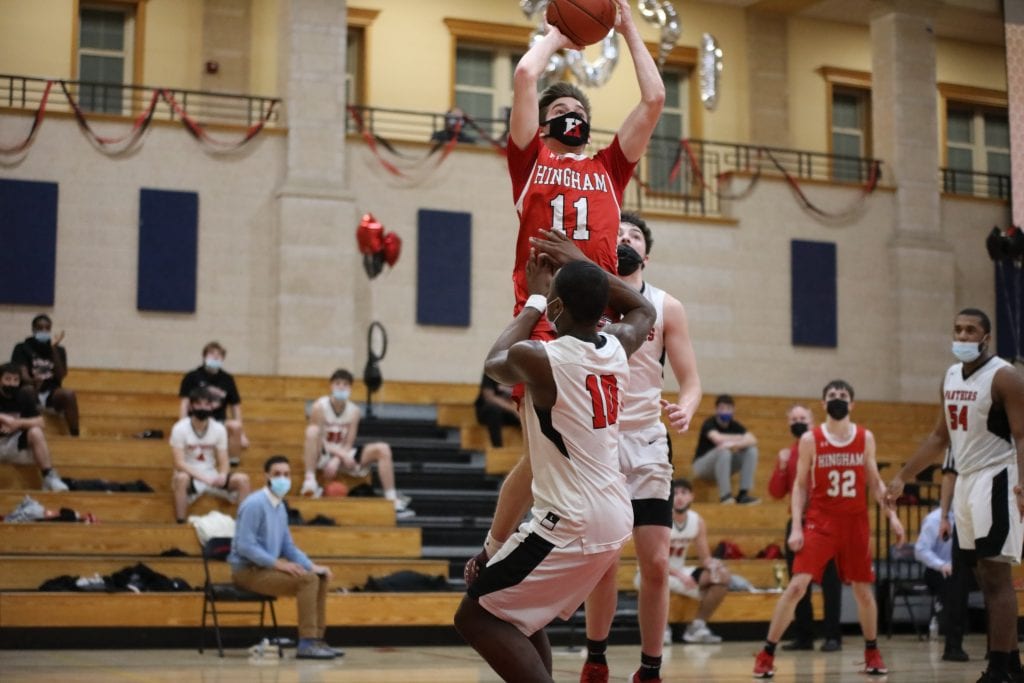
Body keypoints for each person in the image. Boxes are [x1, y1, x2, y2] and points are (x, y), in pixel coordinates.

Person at [454, 255, 656, 683]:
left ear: (557, 306)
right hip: (612, 513)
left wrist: (534, 300)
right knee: (518, 613)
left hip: (571, 519)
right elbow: (643, 308)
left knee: (474, 616)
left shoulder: (541, 358)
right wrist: (586, 268)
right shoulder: (618, 344)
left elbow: (495, 362)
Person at [531, 214, 701, 683]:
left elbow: (691, 380)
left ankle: (651, 668)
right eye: (619, 233)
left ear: (647, 254)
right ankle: (597, 657)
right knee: (603, 561)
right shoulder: (590, 297)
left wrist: (686, 407)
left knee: (657, 562)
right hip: (598, 441)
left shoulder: (666, 306)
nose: (625, 238)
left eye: (635, 236)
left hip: (646, 440)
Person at [887, 308, 1024, 683]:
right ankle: (1012, 665)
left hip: (997, 477)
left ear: (986, 338)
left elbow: (1022, 435)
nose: (962, 337)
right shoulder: (949, 376)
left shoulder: (1005, 377)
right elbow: (939, 438)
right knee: (982, 574)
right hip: (965, 480)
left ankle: (998, 669)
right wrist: (903, 477)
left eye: (970, 331)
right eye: (957, 330)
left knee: (996, 575)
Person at [753, 379, 903, 678]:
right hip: (821, 522)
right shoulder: (811, 439)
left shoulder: (865, 437)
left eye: (843, 394)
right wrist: (797, 527)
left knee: (863, 591)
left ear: (852, 403)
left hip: (855, 522)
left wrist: (893, 517)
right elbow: (799, 487)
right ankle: (766, 653)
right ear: (823, 403)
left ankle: (872, 652)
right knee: (797, 586)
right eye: (832, 395)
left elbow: (875, 482)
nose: (837, 398)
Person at [229, 454, 340, 660]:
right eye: (277, 474)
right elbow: (245, 546)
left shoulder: (279, 507)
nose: (283, 478)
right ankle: (307, 642)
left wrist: (311, 565)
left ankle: (317, 639)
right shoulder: (254, 504)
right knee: (308, 580)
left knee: (319, 576)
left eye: (287, 474)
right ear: (267, 477)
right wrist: (278, 565)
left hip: (266, 569)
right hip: (247, 571)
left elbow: (288, 547)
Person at [767, 403, 842, 652]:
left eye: (802, 418)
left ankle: (833, 636)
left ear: (812, 421)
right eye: (793, 419)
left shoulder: (826, 447)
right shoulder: (788, 453)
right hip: (798, 524)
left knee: (831, 582)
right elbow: (776, 492)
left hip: (826, 522)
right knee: (798, 583)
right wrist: (781, 467)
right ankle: (804, 637)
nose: (798, 422)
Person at [300, 369, 413, 519]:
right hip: (322, 453)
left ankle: (392, 500)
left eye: (345, 384)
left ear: (350, 388)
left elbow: (349, 443)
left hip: (342, 455)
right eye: (338, 383)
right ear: (331, 386)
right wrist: (339, 454)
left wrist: (338, 459)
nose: (341, 387)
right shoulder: (319, 406)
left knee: (383, 449)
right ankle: (310, 481)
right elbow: (318, 439)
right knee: (311, 431)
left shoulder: (354, 411)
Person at [643, 478, 729, 645]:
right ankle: (661, 628)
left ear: (691, 497)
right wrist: (681, 576)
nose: (680, 497)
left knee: (723, 578)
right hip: (653, 570)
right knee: (658, 578)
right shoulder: (660, 519)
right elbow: (655, 559)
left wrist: (714, 565)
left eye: (684, 493)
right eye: (675, 493)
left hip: (679, 571)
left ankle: (697, 627)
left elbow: (705, 558)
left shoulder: (697, 521)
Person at [913, 471, 973, 662]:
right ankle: (952, 638)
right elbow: (920, 550)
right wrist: (942, 565)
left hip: (963, 569)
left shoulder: (969, 517)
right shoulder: (934, 519)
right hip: (938, 571)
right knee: (952, 583)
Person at [170, 387, 251, 524]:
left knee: (243, 480)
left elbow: (224, 460)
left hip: (211, 474)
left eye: (207, 404)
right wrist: (204, 478)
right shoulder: (179, 428)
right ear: (191, 406)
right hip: (190, 475)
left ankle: (243, 525)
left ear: (212, 406)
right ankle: (180, 522)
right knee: (181, 478)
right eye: (198, 404)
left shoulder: (219, 429)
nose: (203, 408)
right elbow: (179, 463)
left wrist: (223, 475)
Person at [0, 362, 68, 491]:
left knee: (36, 431)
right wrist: (3, 418)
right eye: (7, 379)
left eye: (15, 380)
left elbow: (41, 422)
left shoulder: (23, 395)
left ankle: (48, 476)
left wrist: (17, 424)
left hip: (14, 443)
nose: (11, 383)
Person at [178, 341, 248, 466]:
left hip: (218, 421)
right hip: (196, 420)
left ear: (223, 359)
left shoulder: (227, 379)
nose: (215, 357)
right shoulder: (192, 376)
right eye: (211, 354)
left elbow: (235, 406)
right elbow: (184, 403)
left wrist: (241, 435)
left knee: (235, 426)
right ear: (204, 356)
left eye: (219, 355)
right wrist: (181, 425)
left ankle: (232, 463)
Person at [11, 314, 80, 436]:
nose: (44, 331)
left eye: (47, 328)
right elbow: (22, 373)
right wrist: (33, 381)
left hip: (51, 392)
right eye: (40, 328)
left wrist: (53, 348)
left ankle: (75, 436)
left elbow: (61, 375)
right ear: (33, 329)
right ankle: (27, 434)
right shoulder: (22, 347)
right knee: (27, 390)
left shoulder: (59, 350)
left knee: (68, 394)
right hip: (31, 389)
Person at [693, 394, 760, 504]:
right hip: (702, 466)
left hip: (724, 465)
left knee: (751, 451)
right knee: (723, 452)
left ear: (733, 410)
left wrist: (733, 445)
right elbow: (717, 438)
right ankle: (725, 496)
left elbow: (753, 439)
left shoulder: (734, 425)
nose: (725, 411)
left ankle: (743, 494)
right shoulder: (709, 423)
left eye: (728, 408)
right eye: (722, 408)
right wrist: (739, 438)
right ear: (716, 410)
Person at [474, 373, 520, 448]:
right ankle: (497, 448)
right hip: (489, 412)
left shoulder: (518, 372)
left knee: (532, 413)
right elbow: (489, 397)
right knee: (493, 411)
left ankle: (533, 448)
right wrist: (513, 409)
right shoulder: (491, 370)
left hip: (509, 412)